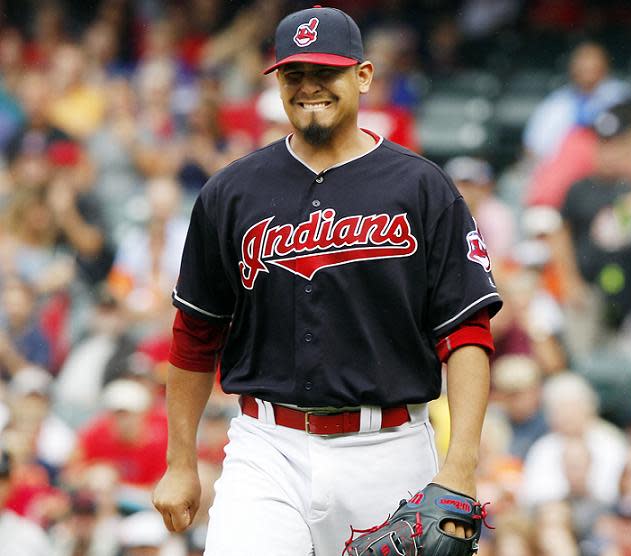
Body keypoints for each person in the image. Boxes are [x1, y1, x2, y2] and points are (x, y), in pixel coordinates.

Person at [152, 6, 502, 555]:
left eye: (326, 73)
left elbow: (467, 334)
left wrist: (461, 468)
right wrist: (179, 463)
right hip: (267, 446)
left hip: (389, 449)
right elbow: (195, 334)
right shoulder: (231, 192)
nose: (309, 88)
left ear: (363, 76)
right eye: (295, 76)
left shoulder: (421, 187)